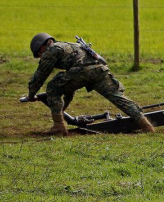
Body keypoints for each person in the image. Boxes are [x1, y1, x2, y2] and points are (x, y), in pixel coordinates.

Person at [24, 33, 155, 135]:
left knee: (52, 87)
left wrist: (31, 94)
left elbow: (40, 76)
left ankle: (58, 126)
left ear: (42, 47)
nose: (41, 57)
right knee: (118, 97)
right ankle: (146, 125)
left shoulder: (51, 50)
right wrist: (62, 108)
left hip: (83, 71)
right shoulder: (70, 45)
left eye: (39, 55)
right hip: (99, 70)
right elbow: (70, 87)